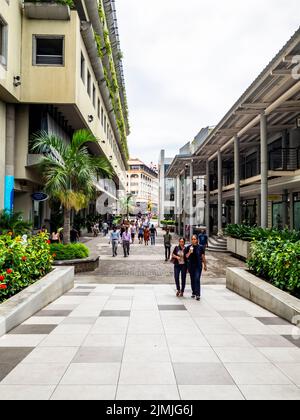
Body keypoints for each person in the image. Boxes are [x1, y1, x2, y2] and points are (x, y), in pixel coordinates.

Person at [186, 235, 207, 301]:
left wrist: (205, 265)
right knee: (192, 279)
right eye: (192, 239)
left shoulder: (200, 247)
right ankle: (194, 292)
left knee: (197, 279)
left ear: (197, 240)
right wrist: (189, 252)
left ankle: (198, 295)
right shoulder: (188, 247)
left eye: (194, 239)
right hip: (191, 266)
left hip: (198, 266)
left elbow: (203, 257)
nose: (193, 240)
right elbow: (186, 256)